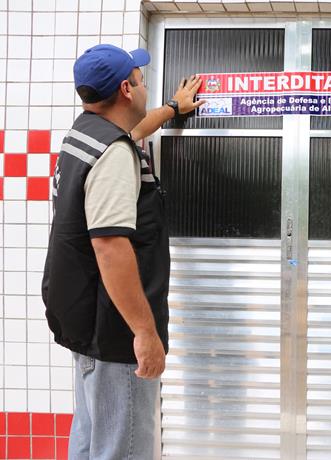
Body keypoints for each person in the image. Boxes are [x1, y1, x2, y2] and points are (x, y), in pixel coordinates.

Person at [42, 44, 206, 459]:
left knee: (91, 440)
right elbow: (110, 248)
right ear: (126, 90)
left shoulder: (86, 134)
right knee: (123, 448)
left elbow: (131, 131)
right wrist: (145, 334)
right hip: (117, 334)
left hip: (87, 322)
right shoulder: (113, 155)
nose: (144, 86)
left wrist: (173, 108)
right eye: (140, 79)